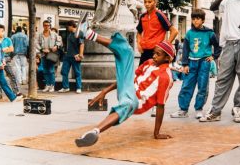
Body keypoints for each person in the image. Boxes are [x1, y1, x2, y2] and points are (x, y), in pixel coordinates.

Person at [74, 14, 174, 147]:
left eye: (158, 54)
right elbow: (128, 78)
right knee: (127, 52)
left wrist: (157, 133)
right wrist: (105, 91)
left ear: (168, 58)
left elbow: (160, 106)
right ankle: (87, 33)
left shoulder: (165, 78)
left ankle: (95, 131)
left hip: (136, 102)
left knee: (128, 103)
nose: (154, 56)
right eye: (154, 53)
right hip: (127, 88)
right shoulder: (149, 62)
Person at [170, 9, 221, 119]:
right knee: (186, 86)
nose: (195, 21)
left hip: (204, 62)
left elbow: (218, 45)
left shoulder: (209, 33)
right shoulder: (189, 33)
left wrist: (214, 56)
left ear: (202, 20)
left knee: (202, 87)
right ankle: (183, 110)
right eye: (193, 19)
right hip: (191, 62)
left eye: (198, 19)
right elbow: (186, 50)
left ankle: (199, 109)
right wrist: (185, 64)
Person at [136, 0, 178, 66]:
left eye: (149, 2)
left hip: (156, 52)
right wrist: (138, 44)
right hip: (145, 52)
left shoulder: (160, 15)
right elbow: (139, 32)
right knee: (141, 74)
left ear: (155, 2)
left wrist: (165, 47)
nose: (147, 4)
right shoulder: (143, 16)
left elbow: (174, 31)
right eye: (145, 2)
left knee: (154, 74)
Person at [0, 25, 23, 105]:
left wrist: (3, 61)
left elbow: (1, 54)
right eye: (2, 31)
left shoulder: (0, 42)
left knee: (4, 83)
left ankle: (13, 98)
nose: (3, 33)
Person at [58, 20, 84, 94]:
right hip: (68, 55)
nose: (67, 28)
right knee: (64, 71)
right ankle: (66, 87)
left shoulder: (79, 33)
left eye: (67, 27)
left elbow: (82, 44)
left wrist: (80, 54)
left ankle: (79, 87)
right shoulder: (70, 34)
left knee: (77, 72)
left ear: (71, 26)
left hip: (75, 56)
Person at [36, 20, 62, 93]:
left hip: (51, 54)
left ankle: (52, 85)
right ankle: (47, 85)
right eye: (45, 25)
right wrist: (41, 49)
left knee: (51, 70)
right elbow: (36, 43)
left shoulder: (54, 34)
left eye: (48, 25)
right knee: (45, 70)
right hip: (43, 54)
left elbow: (60, 41)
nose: (47, 27)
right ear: (43, 26)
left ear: (49, 26)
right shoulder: (40, 35)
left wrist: (56, 46)